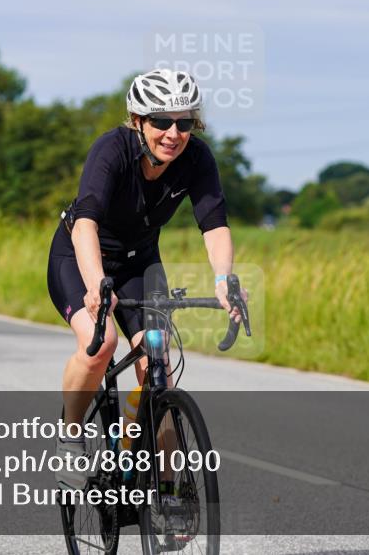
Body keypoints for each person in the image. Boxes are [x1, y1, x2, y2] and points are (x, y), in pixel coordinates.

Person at [47, 68, 244, 489]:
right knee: (100, 345)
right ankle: (70, 435)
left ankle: (169, 492)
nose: (173, 133)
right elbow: (85, 225)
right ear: (138, 121)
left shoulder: (196, 158)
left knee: (157, 367)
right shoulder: (111, 151)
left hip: (140, 265)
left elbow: (214, 224)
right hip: (81, 257)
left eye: (185, 122)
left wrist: (224, 279)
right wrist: (98, 286)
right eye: (161, 121)